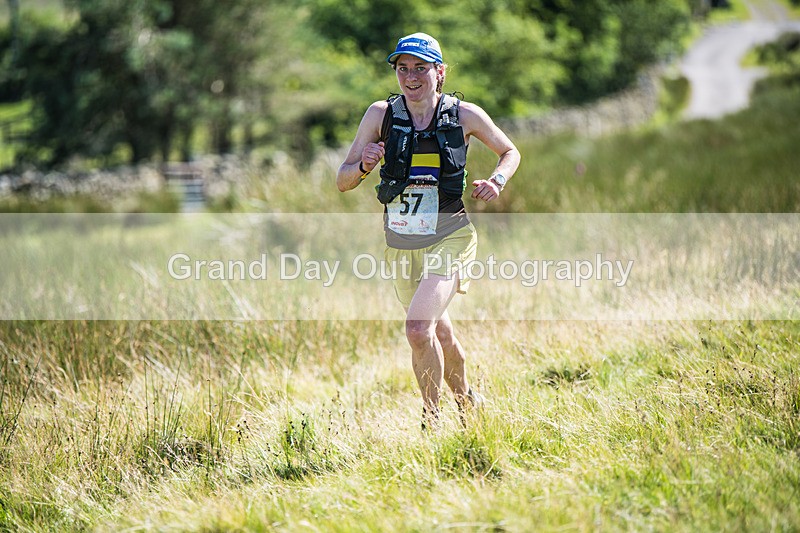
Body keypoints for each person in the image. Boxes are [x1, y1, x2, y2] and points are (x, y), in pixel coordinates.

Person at [337, 32, 520, 429]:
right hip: (401, 244)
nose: (411, 77)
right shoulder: (380, 115)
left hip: (451, 236)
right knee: (440, 333)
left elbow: (510, 151)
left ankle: (431, 423)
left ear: (439, 71)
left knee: (418, 329)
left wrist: (497, 181)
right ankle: (468, 402)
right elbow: (343, 180)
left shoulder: (464, 115)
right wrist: (365, 165)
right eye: (403, 69)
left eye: (420, 68)